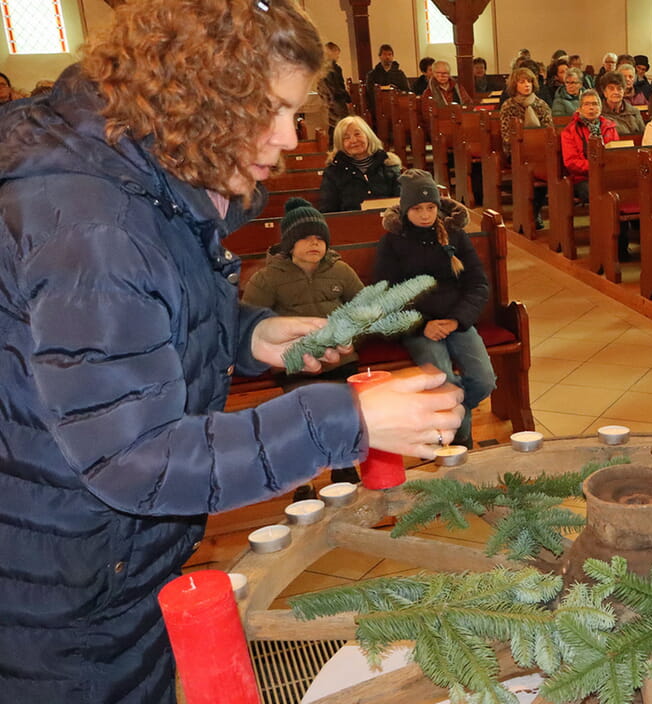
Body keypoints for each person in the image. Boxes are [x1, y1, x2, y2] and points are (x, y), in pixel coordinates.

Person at [0, 1, 463, 702]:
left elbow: (130, 322)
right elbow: (134, 459)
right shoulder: (92, 223)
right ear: (202, 89)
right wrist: (351, 421)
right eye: (272, 110)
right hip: (57, 579)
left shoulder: (136, 168)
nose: (287, 136)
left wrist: (249, 335)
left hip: (101, 563)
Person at [241, 198, 365, 493]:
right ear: (289, 245)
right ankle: (301, 479)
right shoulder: (269, 277)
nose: (315, 244)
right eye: (306, 238)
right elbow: (250, 322)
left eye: (320, 239)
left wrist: (350, 334)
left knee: (342, 414)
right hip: (295, 363)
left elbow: (365, 308)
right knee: (302, 419)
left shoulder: (340, 271)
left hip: (339, 359)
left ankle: (344, 469)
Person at [376, 171, 496, 450]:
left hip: (456, 321)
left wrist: (457, 319)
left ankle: (458, 420)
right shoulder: (392, 242)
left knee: (484, 380)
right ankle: (463, 441)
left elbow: (477, 283)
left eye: (431, 207)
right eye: (417, 209)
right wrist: (422, 326)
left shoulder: (453, 235)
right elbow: (387, 296)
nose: (425, 214)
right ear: (406, 210)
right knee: (444, 381)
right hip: (418, 326)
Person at [498, 67, 554, 230]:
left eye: (529, 81)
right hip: (516, 153)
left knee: (546, 169)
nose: (526, 85)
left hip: (540, 153)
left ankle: (535, 210)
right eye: (522, 82)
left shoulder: (540, 105)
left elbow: (549, 130)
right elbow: (507, 136)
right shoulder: (509, 106)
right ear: (515, 85)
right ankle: (528, 212)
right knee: (532, 169)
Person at [317, 114, 402, 212]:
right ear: (340, 143)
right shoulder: (333, 172)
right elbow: (328, 210)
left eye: (357, 134)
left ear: (368, 136)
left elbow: (401, 201)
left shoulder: (388, 164)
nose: (353, 140)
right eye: (346, 138)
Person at [561, 89, 621, 204]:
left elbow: (617, 153)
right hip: (583, 178)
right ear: (580, 108)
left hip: (608, 174)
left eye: (595, 104)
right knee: (597, 193)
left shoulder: (609, 127)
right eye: (587, 104)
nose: (591, 108)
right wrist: (595, 167)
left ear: (600, 107)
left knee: (627, 189)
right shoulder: (570, 131)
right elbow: (571, 162)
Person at [365, 43, 410, 114]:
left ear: (392, 56)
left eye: (389, 54)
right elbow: (370, 91)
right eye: (385, 54)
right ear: (380, 56)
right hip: (379, 107)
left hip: (396, 105)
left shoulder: (399, 74)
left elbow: (406, 90)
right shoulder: (372, 74)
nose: (387, 57)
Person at [597, 70, 644, 136]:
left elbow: (643, 135)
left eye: (619, 89)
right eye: (611, 89)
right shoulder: (598, 114)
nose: (616, 92)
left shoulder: (634, 112)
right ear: (604, 92)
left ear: (624, 91)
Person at [321, 42, 351, 135]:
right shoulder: (333, 68)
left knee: (333, 125)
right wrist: (348, 98)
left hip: (329, 100)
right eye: (337, 53)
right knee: (341, 124)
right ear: (331, 52)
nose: (338, 56)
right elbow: (337, 86)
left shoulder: (323, 68)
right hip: (337, 100)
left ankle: (333, 145)